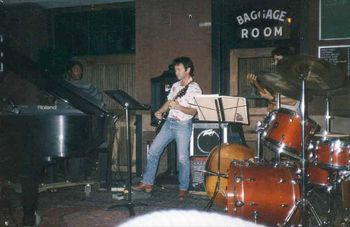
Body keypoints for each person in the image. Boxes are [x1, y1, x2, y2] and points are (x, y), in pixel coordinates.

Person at [132, 56, 202, 201]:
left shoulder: (195, 88)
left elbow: (194, 111)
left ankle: (183, 188)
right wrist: (160, 111)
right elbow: (169, 102)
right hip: (169, 123)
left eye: (179, 69)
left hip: (183, 125)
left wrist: (179, 107)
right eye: (175, 69)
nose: (176, 72)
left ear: (187, 70)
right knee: (153, 151)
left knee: (182, 158)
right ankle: (147, 182)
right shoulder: (176, 86)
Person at [246, 46, 300, 112]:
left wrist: (272, 98)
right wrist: (271, 104)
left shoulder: (295, 77)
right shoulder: (279, 79)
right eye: (274, 60)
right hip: (279, 116)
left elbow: (293, 101)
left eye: (278, 60)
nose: (275, 63)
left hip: (292, 117)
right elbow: (273, 102)